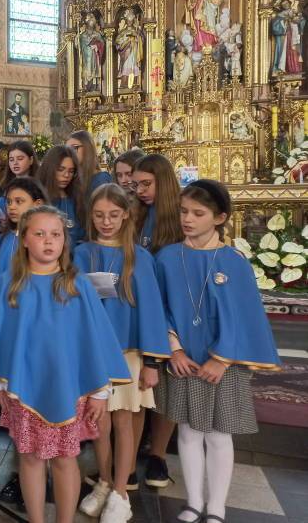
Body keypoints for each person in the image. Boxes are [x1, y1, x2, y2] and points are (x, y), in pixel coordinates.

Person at [0, 205, 130, 523]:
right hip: (22, 389)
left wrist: (99, 392)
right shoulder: (9, 283)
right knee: (30, 458)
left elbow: (95, 339)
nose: (48, 241)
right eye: (39, 234)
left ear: (65, 240)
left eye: (56, 235)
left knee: (64, 458)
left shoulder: (77, 285)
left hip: (67, 390)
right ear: (24, 239)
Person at [154, 180, 280, 523]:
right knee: (188, 432)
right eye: (184, 211)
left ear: (220, 217)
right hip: (184, 360)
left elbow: (244, 315)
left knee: (219, 435)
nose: (187, 219)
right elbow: (158, 308)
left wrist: (221, 359)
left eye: (198, 213)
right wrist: (174, 350)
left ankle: (216, 507)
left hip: (224, 363)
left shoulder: (233, 262)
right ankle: (194, 502)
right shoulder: (167, 258)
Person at [75, 185, 171, 523]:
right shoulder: (81, 253)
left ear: (126, 215)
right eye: (99, 215)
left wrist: (151, 362)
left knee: (124, 421)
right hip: (93, 351)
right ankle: (103, 482)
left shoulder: (140, 257)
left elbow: (152, 312)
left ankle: (120, 492)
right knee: (98, 422)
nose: (106, 222)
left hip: (128, 351)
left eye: (113, 215)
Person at [129, 153, 184, 488]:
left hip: (173, 307)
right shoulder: (135, 213)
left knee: (167, 388)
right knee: (141, 384)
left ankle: (158, 455)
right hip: (140, 308)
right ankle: (130, 455)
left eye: (146, 184)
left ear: (163, 182)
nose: (140, 191)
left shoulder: (180, 215)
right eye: (136, 185)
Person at [0, 176, 48, 324]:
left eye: (19, 201)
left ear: (38, 204)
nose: (11, 207)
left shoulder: (46, 243)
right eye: (8, 202)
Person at [37, 146, 86, 248]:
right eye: (60, 169)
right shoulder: (38, 198)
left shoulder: (77, 198)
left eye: (71, 171)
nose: (66, 175)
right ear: (49, 169)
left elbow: (83, 234)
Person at [0, 140, 39, 234]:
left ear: (31, 160)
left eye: (20, 158)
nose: (15, 163)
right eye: (11, 159)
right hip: (6, 236)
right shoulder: (0, 189)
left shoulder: (40, 186)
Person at [66, 130, 113, 195]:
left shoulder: (101, 179)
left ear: (87, 149)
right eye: (67, 149)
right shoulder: (72, 179)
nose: (69, 153)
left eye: (73, 148)